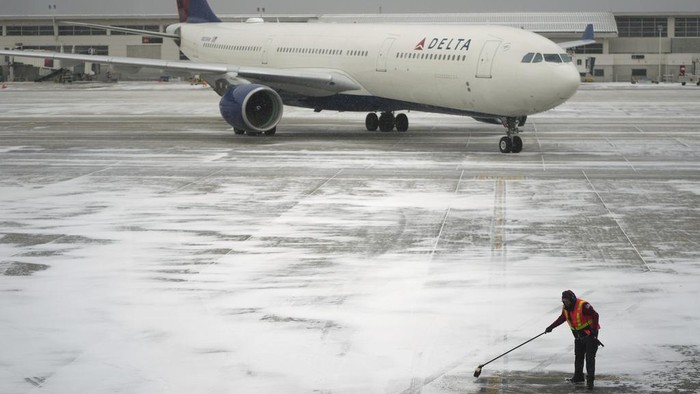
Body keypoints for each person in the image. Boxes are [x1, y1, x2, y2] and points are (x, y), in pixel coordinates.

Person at [545, 290, 600, 390]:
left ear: (573, 299)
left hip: (590, 335)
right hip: (578, 336)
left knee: (589, 358)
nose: (566, 303)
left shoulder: (583, 305)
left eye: (567, 301)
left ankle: (590, 381)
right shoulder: (566, 308)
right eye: (564, 301)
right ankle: (578, 377)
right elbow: (562, 318)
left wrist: (594, 331)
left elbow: (595, 315)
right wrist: (551, 327)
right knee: (578, 356)